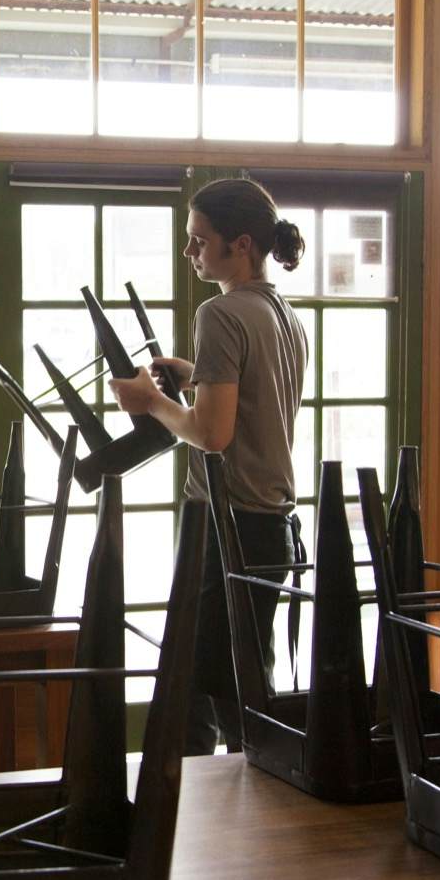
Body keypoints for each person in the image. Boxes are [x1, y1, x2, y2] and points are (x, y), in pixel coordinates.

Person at [108, 178, 308, 755]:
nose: (189, 251)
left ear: (240, 244)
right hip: (271, 524)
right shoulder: (283, 314)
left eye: (199, 240)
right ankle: (237, 799)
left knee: (212, 688)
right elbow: (255, 397)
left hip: (229, 524)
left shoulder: (219, 313)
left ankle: (192, 799)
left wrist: (151, 401)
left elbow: (212, 434)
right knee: (232, 679)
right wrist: (195, 375)